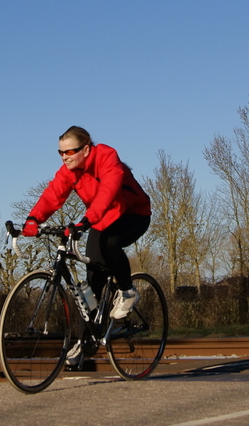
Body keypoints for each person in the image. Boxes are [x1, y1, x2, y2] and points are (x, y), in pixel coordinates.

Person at [22, 126, 151, 364]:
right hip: (101, 219)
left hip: (133, 214)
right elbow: (53, 194)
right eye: (60, 153)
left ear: (86, 149)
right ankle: (86, 341)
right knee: (92, 282)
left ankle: (128, 291)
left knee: (111, 245)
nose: (65, 157)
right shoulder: (69, 171)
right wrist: (33, 219)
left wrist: (85, 221)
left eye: (70, 151)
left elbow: (108, 191)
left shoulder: (106, 156)